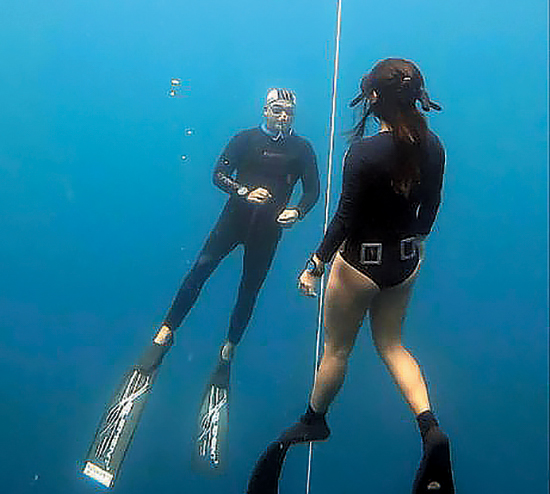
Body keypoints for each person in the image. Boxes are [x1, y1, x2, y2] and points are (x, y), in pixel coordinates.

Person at [247, 59, 454, 494]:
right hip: (405, 263)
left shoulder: (362, 153)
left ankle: (314, 420)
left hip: (359, 264)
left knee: (337, 348)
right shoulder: (434, 147)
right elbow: (431, 206)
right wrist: (416, 239)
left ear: (374, 99)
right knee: (393, 346)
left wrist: (315, 264)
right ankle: (430, 428)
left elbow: (344, 218)